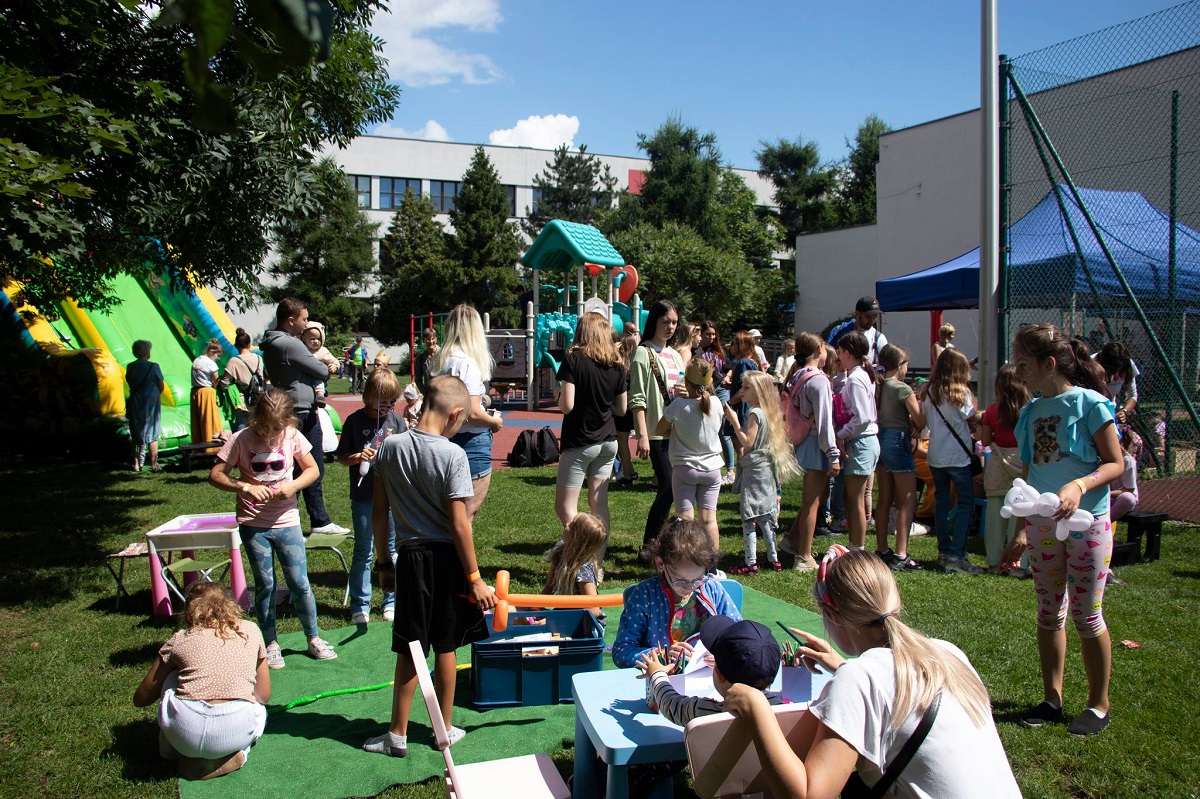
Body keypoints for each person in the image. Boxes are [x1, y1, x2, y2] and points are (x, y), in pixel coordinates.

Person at [722, 546, 1021, 799]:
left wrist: (756, 707)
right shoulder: (948, 652)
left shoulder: (860, 678)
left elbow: (811, 794)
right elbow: (901, 694)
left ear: (834, 616)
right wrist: (843, 666)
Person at [363, 375, 497, 757]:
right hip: (447, 559)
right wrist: (474, 577)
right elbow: (459, 524)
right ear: (456, 414)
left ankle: (397, 734)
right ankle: (446, 729)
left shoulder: (389, 448)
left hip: (409, 559)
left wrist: (383, 562)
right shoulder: (453, 455)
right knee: (446, 644)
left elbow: (379, 511)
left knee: (409, 646)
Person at [1003, 322, 1122, 737]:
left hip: (1088, 526)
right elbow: (1029, 474)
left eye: (1023, 363)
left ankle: (1098, 704)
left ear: (1048, 364)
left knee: (1087, 615)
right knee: (1048, 611)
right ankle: (1052, 698)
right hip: (1041, 527)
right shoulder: (1031, 411)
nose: (1017, 371)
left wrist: (1079, 485)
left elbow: (1115, 463)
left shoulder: (1090, 404)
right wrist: (1021, 530)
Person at [208, 388, 338, 668]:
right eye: (267, 428)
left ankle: (313, 638)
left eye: (278, 428)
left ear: (288, 421)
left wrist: (291, 486)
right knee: (265, 584)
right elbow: (215, 475)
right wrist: (245, 486)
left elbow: (313, 470)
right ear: (258, 417)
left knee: (300, 583)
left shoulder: (292, 435)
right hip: (254, 523)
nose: (271, 435)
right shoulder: (241, 439)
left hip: (287, 521)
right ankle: (270, 644)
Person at [133, 582, 270, 781]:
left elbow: (141, 698)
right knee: (259, 710)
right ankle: (239, 753)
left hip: (184, 734)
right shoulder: (251, 630)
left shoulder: (180, 638)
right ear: (229, 604)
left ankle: (171, 751)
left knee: (172, 675)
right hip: (236, 729)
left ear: (190, 611)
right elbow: (263, 695)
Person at [261, 297, 348, 535]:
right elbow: (321, 370)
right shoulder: (290, 344)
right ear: (291, 321)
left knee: (295, 467)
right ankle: (318, 520)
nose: (307, 323)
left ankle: (297, 517)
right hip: (301, 413)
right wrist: (315, 367)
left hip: (291, 409)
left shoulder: (274, 342)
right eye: (304, 319)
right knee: (310, 466)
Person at [613, 517, 741, 668]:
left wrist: (722, 654)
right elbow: (622, 652)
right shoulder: (644, 596)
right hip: (660, 680)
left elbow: (740, 637)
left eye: (698, 579)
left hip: (707, 680)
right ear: (661, 564)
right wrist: (662, 655)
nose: (690, 587)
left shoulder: (712, 589)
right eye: (680, 581)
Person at [335, 367, 406, 625]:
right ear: (368, 396)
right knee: (364, 549)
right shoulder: (354, 421)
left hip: (392, 496)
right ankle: (360, 604)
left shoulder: (397, 422)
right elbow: (341, 457)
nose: (386, 406)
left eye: (391, 401)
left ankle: (391, 601)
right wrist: (358, 457)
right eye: (382, 401)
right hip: (364, 496)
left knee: (391, 549)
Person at [725, 371, 803, 574]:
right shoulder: (769, 412)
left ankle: (750, 562)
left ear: (759, 391)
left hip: (755, 471)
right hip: (766, 469)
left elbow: (747, 443)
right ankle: (773, 558)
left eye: (746, 388)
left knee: (749, 517)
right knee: (765, 516)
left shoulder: (755, 414)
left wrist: (733, 420)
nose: (741, 391)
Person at [556, 312, 628, 532]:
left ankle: (580, 554)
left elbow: (566, 405)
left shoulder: (573, 359)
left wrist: (559, 394)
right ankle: (596, 564)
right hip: (608, 440)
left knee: (565, 507)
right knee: (599, 507)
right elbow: (621, 409)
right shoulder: (616, 364)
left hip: (580, 439)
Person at [434, 304, 504, 521]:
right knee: (466, 513)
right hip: (472, 441)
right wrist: (494, 421)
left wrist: (481, 399)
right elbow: (472, 413)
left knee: (450, 511)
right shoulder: (467, 364)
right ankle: (460, 556)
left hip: (447, 438)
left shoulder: (444, 360)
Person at [922, 348, 984, 575]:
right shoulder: (962, 393)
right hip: (958, 457)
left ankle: (944, 550)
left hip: (936, 455)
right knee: (966, 503)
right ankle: (957, 553)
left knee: (941, 501)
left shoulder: (929, 391)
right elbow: (971, 417)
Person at [782, 334, 840, 571]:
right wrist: (833, 454)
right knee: (812, 502)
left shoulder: (799, 375)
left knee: (815, 498)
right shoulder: (819, 381)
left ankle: (793, 542)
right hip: (817, 443)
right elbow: (825, 421)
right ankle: (804, 557)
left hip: (805, 441)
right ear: (818, 349)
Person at [656, 359, 724, 550]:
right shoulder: (717, 403)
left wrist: (676, 431)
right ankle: (712, 566)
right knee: (709, 520)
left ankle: (686, 564)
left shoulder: (678, 406)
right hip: (712, 468)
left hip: (685, 467)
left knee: (684, 520)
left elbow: (660, 429)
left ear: (686, 382)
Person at [630, 300, 681, 556]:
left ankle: (665, 542)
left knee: (675, 487)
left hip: (681, 432)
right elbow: (637, 398)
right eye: (665, 322)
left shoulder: (676, 355)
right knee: (669, 485)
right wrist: (642, 435)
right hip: (657, 431)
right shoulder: (643, 353)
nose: (671, 327)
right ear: (654, 322)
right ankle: (650, 543)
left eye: (674, 322)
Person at [873, 344, 925, 572]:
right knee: (906, 500)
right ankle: (901, 553)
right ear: (900, 365)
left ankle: (882, 548)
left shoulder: (880, 385)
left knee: (884, 498)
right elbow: (921, 420)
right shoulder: (902, 388)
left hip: (881, 439)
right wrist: (914, 423)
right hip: (897, 440)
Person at [981, 364, 1031, 576]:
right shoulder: (1030, 409)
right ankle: (1018, 564)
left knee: (994, 515)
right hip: (1024, 462)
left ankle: (994, 562)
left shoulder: (992, 411)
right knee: (1020, 514)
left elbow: (984, 440)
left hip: (999, 463)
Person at [834, 331, 879, 550]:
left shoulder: (857, 378)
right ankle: (855, 544)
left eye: (840, 351)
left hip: (862, 441)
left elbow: (863, 417)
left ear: (846, 352)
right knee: (852, 497)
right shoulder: (861, 375)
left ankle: (857, 548)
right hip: (863, 441)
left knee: (855, 499)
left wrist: (841, 435)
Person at [542, 512, 609, 619]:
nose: (567, 523)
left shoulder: (582, 569)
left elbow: (594, 610)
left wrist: (553, 621)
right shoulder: (560, 552)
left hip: (583, 619)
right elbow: (549, 587)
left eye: (572, 525)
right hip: (565, 610)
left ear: (577, 537)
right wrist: (535, 608)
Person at [698, 320, 736, 483]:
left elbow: (729, 367)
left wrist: (727, 377)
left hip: (721, 390)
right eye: (708, 334)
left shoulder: (719, 351)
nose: (712, 337)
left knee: (723, 429)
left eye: (714, 334)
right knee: (705, 427)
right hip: (704, 391)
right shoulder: (696, 351)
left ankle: (730, 469)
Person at [126, 339, 165, 472]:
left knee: (136, 433)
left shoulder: (130, 367)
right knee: (153, 433)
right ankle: (154, 464)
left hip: (136, 402)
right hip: (151, 404)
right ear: (147, 351)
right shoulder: (154, 366)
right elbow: (161, 386)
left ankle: (136, 464)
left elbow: (129, 382)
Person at [223, 328, 266, 433]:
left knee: (239, 436)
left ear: (236, 346)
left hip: (241, 403)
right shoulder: (258, 358)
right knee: (255, 435)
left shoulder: (234, 361)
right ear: (249, 344)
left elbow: (225, 384)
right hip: (257, 401)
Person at [826, 296, 888, 365]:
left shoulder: (878, 338)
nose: (872, 321)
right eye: (868, 316)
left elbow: (886, 366)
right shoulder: (838, 332)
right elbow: (828, 360)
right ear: (857, 314)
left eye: (875, 316)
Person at [612, 331, 640, 487]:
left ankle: (628, 471)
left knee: (622, 441)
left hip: (622, 406)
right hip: (636, 405)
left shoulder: (618, 365)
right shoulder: (637, 364)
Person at [191, 338, 225, 450]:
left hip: (195, 392)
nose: (218, 358)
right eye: (218, 356)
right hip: (207, 392)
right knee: (209, 419)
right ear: (212, 352)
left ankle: (198, 445)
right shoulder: (211, 364)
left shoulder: (196, 360)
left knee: (197, 421)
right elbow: (216, 381)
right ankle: (211, 447)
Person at [1095, 341, 1140, 423]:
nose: (1116, 374)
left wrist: (1124, 411)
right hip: (1092, 415)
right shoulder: (1091, 365)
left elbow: (1132, 395)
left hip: (1110, 414)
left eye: (1120, 369)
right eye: (1114, 370)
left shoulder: (1126, 364)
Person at [727, 330, 761, 438]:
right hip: (749, 406)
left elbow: (745, 388)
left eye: (733, 343)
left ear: (740, 345)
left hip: (742, 408)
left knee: (741, 445)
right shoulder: (752, 361)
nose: (730, 346)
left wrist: (729, 403)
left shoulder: (744, 363)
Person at [301, 321, 339, 407]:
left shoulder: (322, 351)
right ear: (304, 338)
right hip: (304, 378)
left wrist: (334, 366)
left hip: (316, 376)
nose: (316, 341)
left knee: (318, 381)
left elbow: (334, 360)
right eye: (312, 339)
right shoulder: (301, 349)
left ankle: (320, 396)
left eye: (318, 339)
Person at [1109, 424, 1140, 521]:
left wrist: (1106, 494)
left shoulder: (1127, 460)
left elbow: (1128, 490)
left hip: (1118, 498)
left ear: (1120, 441)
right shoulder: (1099, 455)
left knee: (1128, 498)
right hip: (1106, 498)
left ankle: (1104, 525)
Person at [414, 327, 439, 395]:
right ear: (424, 340)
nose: (431, 342)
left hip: (443, 395)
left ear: (436, 339)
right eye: (428, 339)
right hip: (429, 396)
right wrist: (425, 392)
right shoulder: (420, 358)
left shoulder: (443, 354)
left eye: (433, 338)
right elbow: (418, 379)